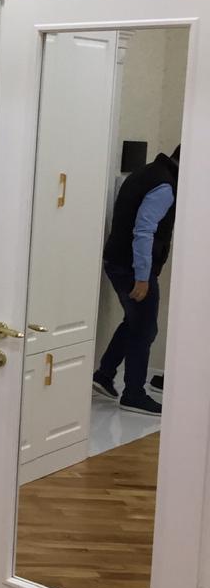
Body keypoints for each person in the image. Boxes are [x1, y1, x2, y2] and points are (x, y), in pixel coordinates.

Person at [93, 145, 180, 417]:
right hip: (133, 267)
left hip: (118, 260)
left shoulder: (147, 173)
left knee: (135, 322)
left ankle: (104, 374)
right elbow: (143, 231)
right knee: (145, 329)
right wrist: (142, 277)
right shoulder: (165, 187)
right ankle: (133, 393)